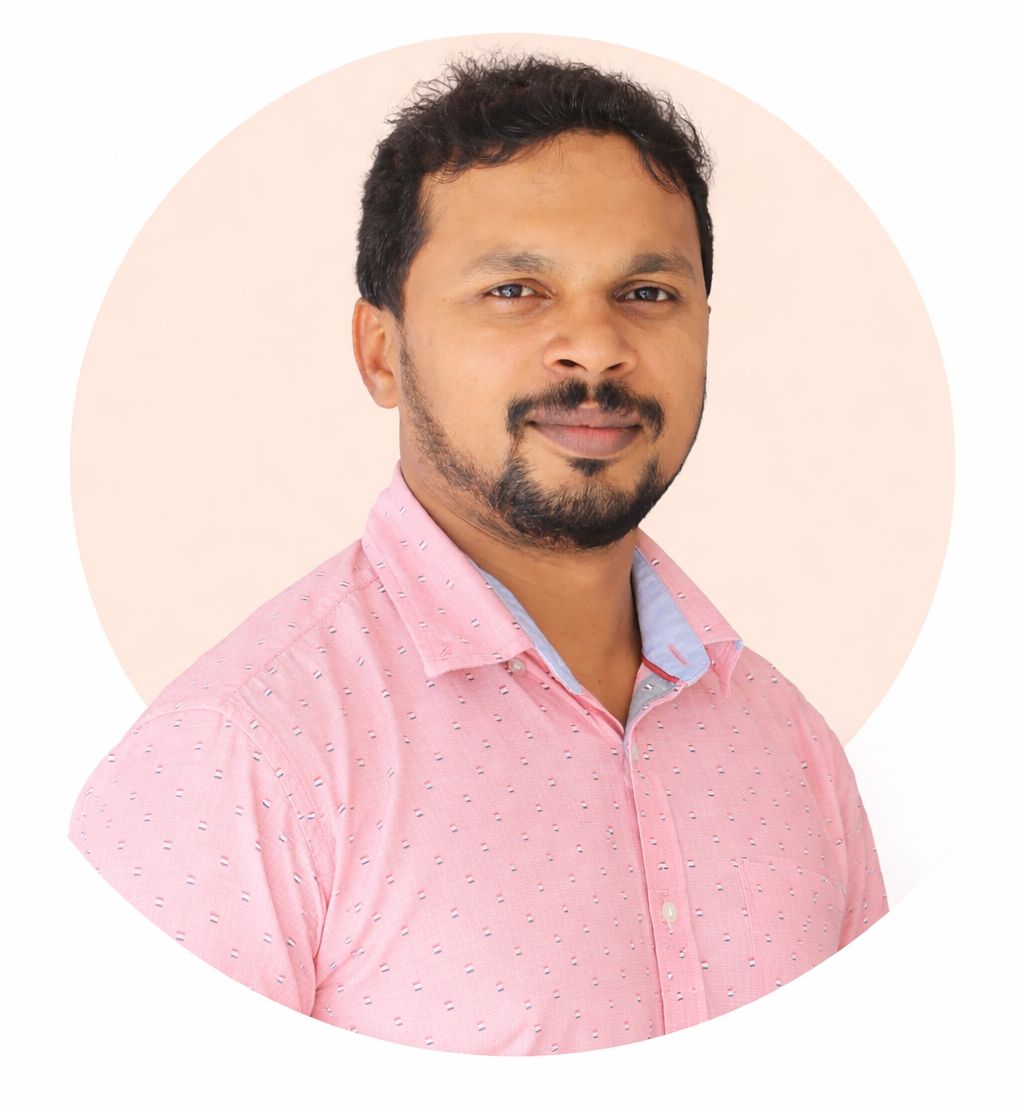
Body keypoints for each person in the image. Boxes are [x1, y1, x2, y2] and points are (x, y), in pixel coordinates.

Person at [67, 52, 887, 1056]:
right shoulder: (241, 757)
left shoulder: (789, 746)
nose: (595, 347)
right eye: (515, 290)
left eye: (645, 291)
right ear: (381, 351)